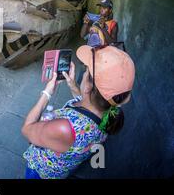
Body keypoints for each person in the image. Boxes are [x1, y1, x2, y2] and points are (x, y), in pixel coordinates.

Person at [21, 45, 135, 179]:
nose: (85, 72)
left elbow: (27, 130)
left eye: (86, 71)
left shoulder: (65, 128)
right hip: (64, 167)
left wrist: (47, 93)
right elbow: (86, 104)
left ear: (87, 86)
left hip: (41, 172)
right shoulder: (110, 114)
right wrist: (72, 84)